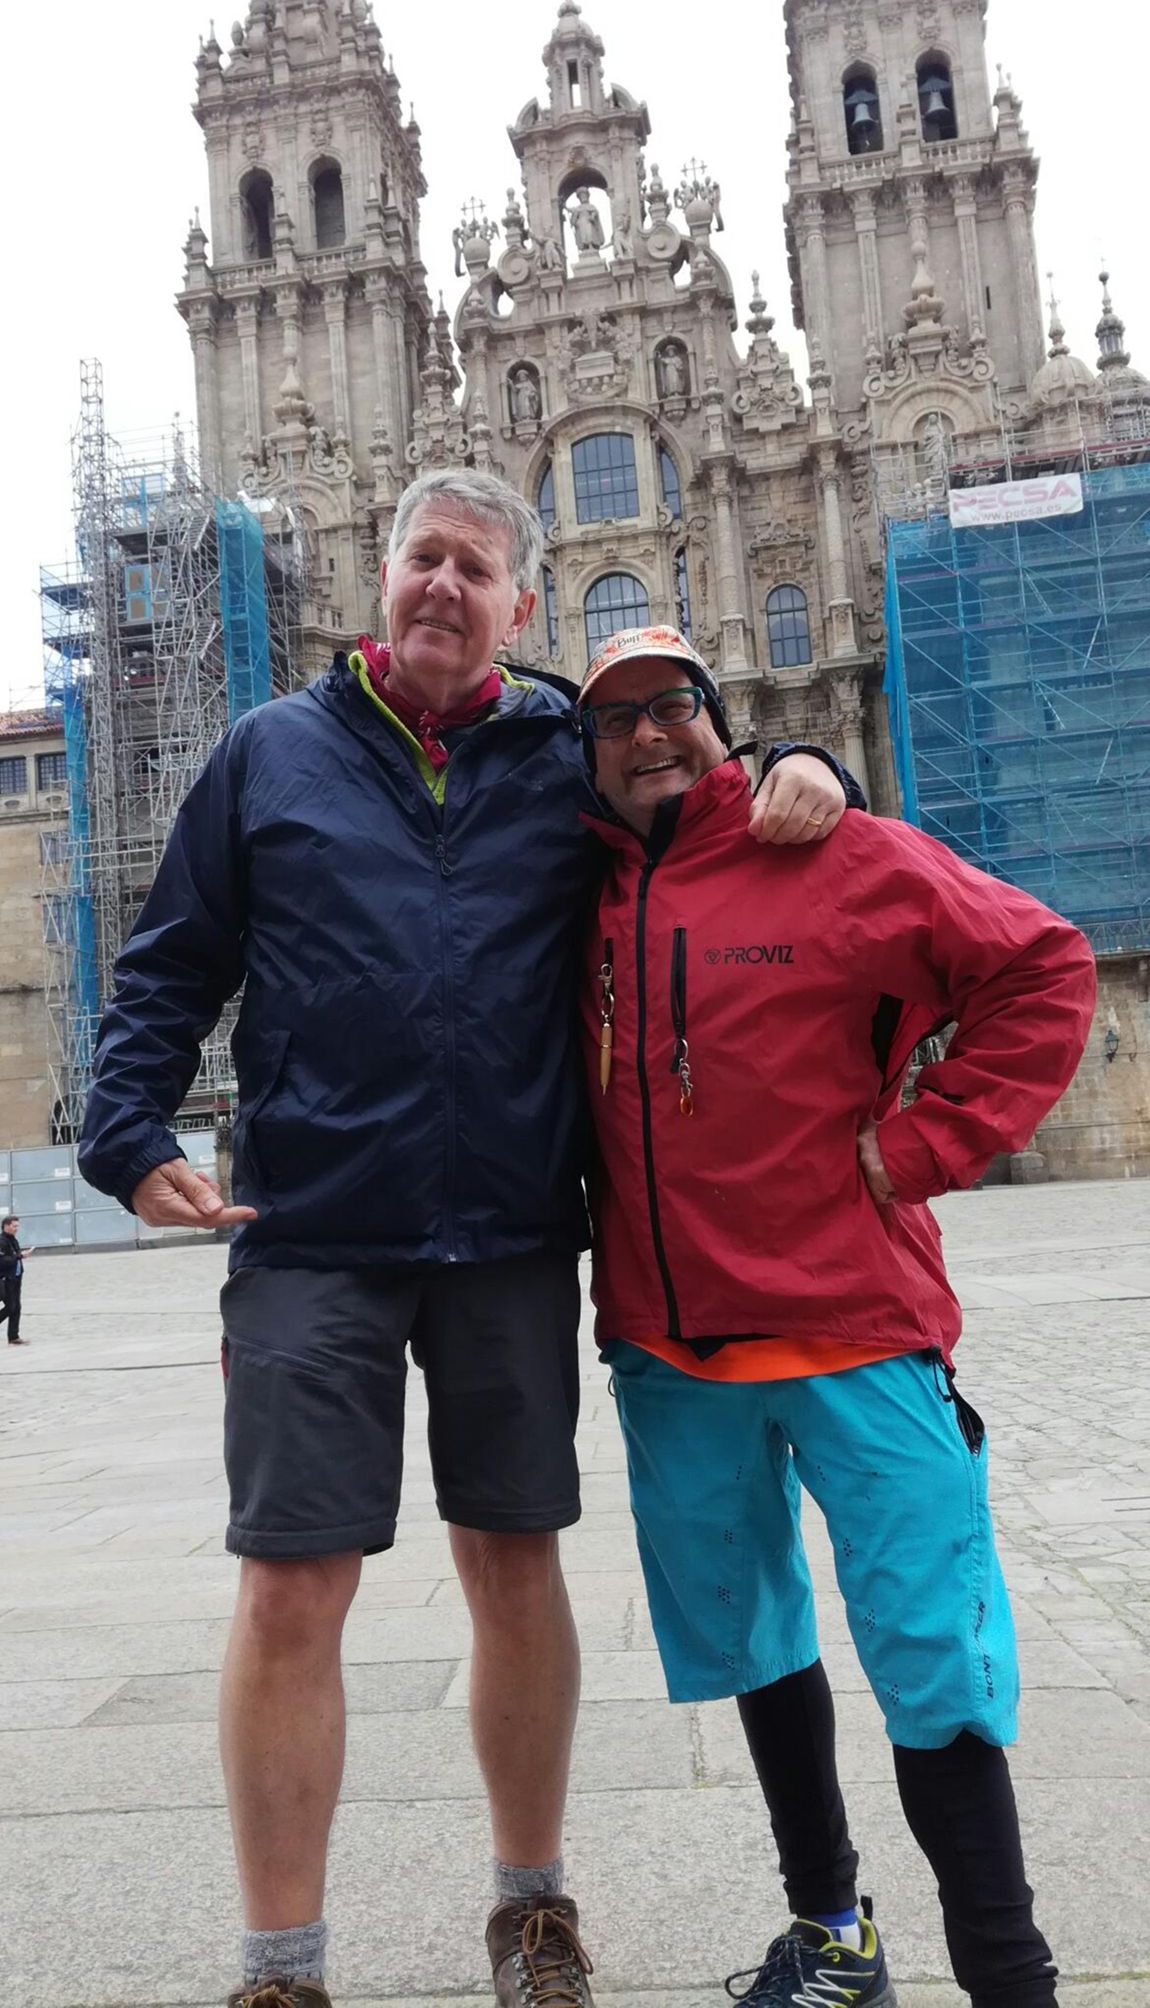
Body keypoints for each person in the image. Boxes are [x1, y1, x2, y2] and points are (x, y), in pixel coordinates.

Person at [77, 470, 856, 2008]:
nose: (443, 584)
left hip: (506, 1225)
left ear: (521, 602)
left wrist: (806, 760)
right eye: (422, 557)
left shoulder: (569, 749)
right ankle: (281, 1968)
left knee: (512, 1561)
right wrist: (127, 1132)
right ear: (383, 578)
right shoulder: (267, 754)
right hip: (312, 1225)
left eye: (475, 568)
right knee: (289, 1583)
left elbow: (703, 802)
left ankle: (530, 1908)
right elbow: (172, 959)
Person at [576, 626, 1097, 2008]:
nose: (646, 734)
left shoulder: (833, 850)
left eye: (671, 704)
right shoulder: (578, 885)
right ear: (586, 754)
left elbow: (1043, 966)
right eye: (613, 717)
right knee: (754, 1641)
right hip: (672, 1348)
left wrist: (928, 1140)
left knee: (931, 1656)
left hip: (855, 1324)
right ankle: (832, 1935)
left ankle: (1011, 1979)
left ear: (719, 719)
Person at [0, 1214, 32, 1344]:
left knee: (17, 1307)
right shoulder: (2, 1241)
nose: (16, 1229)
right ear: (6, 1226)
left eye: (17, 1226)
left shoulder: (13, 1240)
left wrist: (21, 1255)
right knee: (10, 1306)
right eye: (14, 1226)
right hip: (5, 1278)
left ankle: (13, 1336)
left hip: (16, 1277)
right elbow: (3, 1261)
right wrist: (19, 1256)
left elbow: (15, 1255)